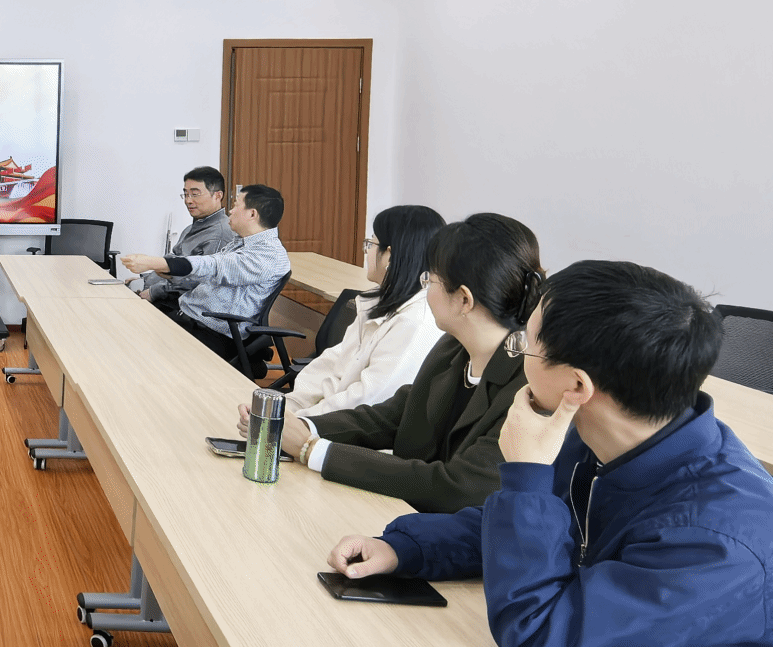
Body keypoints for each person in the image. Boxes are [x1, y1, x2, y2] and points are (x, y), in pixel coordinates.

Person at [327, 260, 773, 647]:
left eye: (525, 344)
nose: (517, 355)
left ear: (576, 385)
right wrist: (407, 547)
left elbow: (538, 631)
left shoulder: (718, 538)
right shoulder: (608, 440)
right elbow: (526, 528)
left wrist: (526, 471)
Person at [277, 212, 542, 513]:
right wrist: (301, 426)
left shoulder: (529, 388)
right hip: (408, 519)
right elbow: (393, 416)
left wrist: (313, 450)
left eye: (431, 279)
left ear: (464, 299)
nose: (425, 289)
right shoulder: (452, 348)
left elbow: (456, 486)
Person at [278, 204, 445, 417]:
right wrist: (287, 407)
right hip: (321, 419)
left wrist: (299, 420)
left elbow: (367, 400)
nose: (366, 251)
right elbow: (331, 366)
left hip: (343, 429)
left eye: (371, 244)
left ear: (389, 256)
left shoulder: (413, 323)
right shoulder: (377, 302)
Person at [120, 184, 291, 375]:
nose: (231, 211)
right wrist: (168, 272)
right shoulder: (242, 243)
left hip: (212, 332)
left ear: (252, 214)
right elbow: (206, 272)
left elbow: (212, 266)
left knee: (133, 345)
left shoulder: (268, 255)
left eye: (236, 205)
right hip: (191, 318)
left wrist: (154, 262)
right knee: (127, 325)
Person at [133, 167, 239, 315]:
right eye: (186, 194)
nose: (188, 200)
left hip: (181, 308)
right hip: (160, 295)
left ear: (217, 196)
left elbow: (200, 284)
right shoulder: (192, 227)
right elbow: (170, 264)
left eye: (195, 194)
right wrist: (146, 279)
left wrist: (153, 292)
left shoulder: (220, 235)